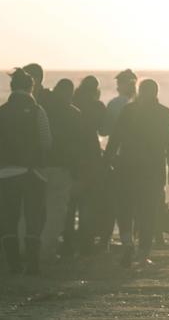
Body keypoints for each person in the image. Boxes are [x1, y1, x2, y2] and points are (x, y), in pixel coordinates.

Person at [106, 78, 169, 267]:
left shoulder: (128, 110)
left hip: (127, 167)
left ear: (139, 91)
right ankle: (143, 254)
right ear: (156, 93)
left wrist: (107, 159)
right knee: (148, 212)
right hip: (153, 169)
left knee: (126, 208)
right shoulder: (163, 113)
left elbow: (115, 137)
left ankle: (128, 243)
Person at [0, 68, 52, 275]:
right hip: (33, 172)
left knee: (10, 217)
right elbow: (46, 141)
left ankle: (13, 264)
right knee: (34, 217)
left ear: (12, 87)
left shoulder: (1, 111)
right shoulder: (37, 110)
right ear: (31, 87)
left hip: (7, 172)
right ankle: (32, 264)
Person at [39, 78, 83, 263]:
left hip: (41, 166)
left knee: (39, 209)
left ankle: (32, 246)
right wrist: (77, 171)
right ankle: (47, 249)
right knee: (57, 212)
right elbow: (78, 146)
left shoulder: (43, 110)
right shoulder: (74, 114)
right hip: (62, 167)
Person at [93, 68, 137, 251]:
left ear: (124, 84)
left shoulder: (116, 104)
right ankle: (131, 238)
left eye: (119, 83)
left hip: (118, 158)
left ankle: (106, 239)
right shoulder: (141, 104)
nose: (117, 86)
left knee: (113, 199)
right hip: (138, 158)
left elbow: (104, 131)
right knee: (134, 200)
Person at [63, 75, 106, 257]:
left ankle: (67, 243)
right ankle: (86, 243)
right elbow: (104, 130)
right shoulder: (97, 106)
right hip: (91, 156)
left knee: (70, 203)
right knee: (88, 203)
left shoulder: (72, 103)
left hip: (71, 155)